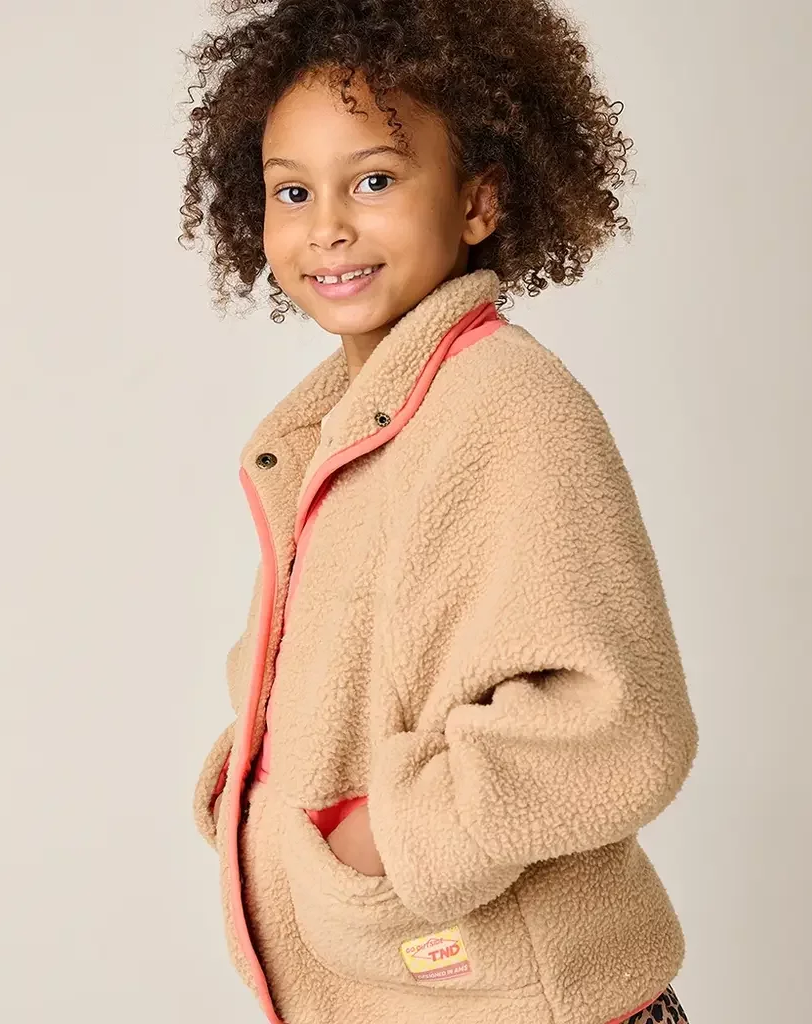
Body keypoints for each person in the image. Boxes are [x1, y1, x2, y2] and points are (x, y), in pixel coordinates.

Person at [181, 2, 698, 1022]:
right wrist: (252, 791)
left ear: (477, 201)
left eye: (374, 180)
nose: (328, 224)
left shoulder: (509, 402)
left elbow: (620, 717)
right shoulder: (333, 428)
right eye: (293, 190)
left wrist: (391, 833)